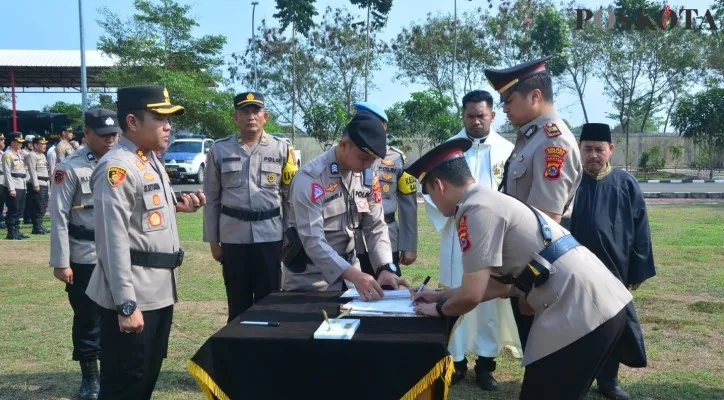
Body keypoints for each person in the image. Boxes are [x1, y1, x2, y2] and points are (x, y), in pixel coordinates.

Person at [408, 138, 632, 400]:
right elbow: (500, 286)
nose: (432, 201)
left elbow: (472, 295)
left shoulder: (475, 209)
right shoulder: (488, 199)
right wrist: (441, 295)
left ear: (439, 185)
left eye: (429, 193)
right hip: (599, 304)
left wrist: (436, 310)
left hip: (581, 312)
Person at [84, 85, 206, 399]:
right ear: (133, 122)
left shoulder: (148, 160)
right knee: (126, 385)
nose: (168, 126)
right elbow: (112, 242)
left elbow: (142, 220)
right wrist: (126, 304)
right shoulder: (118, 167)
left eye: (170, 119)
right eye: (159, 118)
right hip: (134, 296)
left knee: (144, 380)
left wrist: (179, 207)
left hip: (158, 292)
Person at [484, 56, 583, 352]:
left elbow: (547, 224)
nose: (503, 108)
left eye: (509, 99)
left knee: (546, 357)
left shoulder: (553, 142)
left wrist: (528, 286)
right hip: (526, 270)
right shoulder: (531, 137)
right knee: (533, 351)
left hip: (541, 276)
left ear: (535, 96)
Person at [424, 90, 521, 390]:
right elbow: (431, 192)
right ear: (463, 116)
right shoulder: (448, 151)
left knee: (488, 302)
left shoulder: (509, 151)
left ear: (493, 115)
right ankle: (457, 363)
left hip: (495, 239)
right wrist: (452, 212)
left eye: (482, 115)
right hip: (457, 237)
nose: (476, 121)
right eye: (470, 116)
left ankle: (486, 366)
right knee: (458, 290)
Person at [281, 110, 408, 300]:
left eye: (373, 160)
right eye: (363, 158)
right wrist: (355, 276)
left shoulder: (367, 176)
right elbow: (313, 241)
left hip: (350, 278)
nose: (368, 165)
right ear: (343, 145)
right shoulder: (311, 179)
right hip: (310, 280)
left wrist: (385, 267)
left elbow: (376, 226)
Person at [570, 123, 656, 400]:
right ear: (578, 149)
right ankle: (577, 380)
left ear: (611, 150)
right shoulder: (569, 182)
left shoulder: (625, 183)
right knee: (576, 328)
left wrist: (638, 269)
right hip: (575, 270)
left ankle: (609, 380)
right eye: (587, 149)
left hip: (615, 269)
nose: (593, 155)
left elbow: (640, 227)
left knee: (612, 327)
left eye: (599, 149)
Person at [203, 92, 298, 322]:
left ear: (265, 116)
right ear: (235, 117)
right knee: (238, 304)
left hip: (270, 235)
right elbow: (212, 198)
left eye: (255, 111)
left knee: (271, 302)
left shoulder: (282, 149)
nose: (250, 117)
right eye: (244, 112)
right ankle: (238, 354)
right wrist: (213, 241)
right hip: (233, 237)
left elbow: (289, 198)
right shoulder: (220, 150)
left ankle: (269, 352)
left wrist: (291, 233)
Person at [50, 109, 122, 400]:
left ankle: (113, 372)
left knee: (121, 314)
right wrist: (61, 261)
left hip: (119, 254)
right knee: (88, 318)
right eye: (103, 136)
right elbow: (58, 216)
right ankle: (90, 378)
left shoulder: (123, 162)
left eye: (114, 135)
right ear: (87, 134)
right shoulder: (69, 167)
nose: (110, 141)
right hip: (85, 255)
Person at [351, 101, 418, 279]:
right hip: (353, 237)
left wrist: (409, 245)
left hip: (387, 236)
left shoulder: (397, 158)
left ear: (384, 126)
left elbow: (408, 205)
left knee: (388, 288)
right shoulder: (346, 154)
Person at [3, 132, 29, 240]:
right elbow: (7, 172)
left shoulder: (18, 153)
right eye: (18, 142)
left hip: (21, 184)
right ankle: (11, 232)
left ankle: (17, 230)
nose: (21, 144)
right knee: (13, 209)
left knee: (20, 209)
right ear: (13, 142)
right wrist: (11, 188)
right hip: (14, 184)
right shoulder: (7, 154)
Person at [25, 136, 51, 234]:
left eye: (45, 144)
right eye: (42, 144)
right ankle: (36, 227)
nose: (45, 146)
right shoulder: (31, 155)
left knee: (43, 205)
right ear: (35, 145)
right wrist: (36, 184)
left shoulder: (42, 155)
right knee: (37, 205)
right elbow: (32, 170)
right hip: (37, 183)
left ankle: (39, 225)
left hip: (44, 183)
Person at [0, 133, 6, 230]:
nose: (3, 142)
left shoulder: (2, 153)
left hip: (2, 181)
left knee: (1, 202)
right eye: (1, 139)